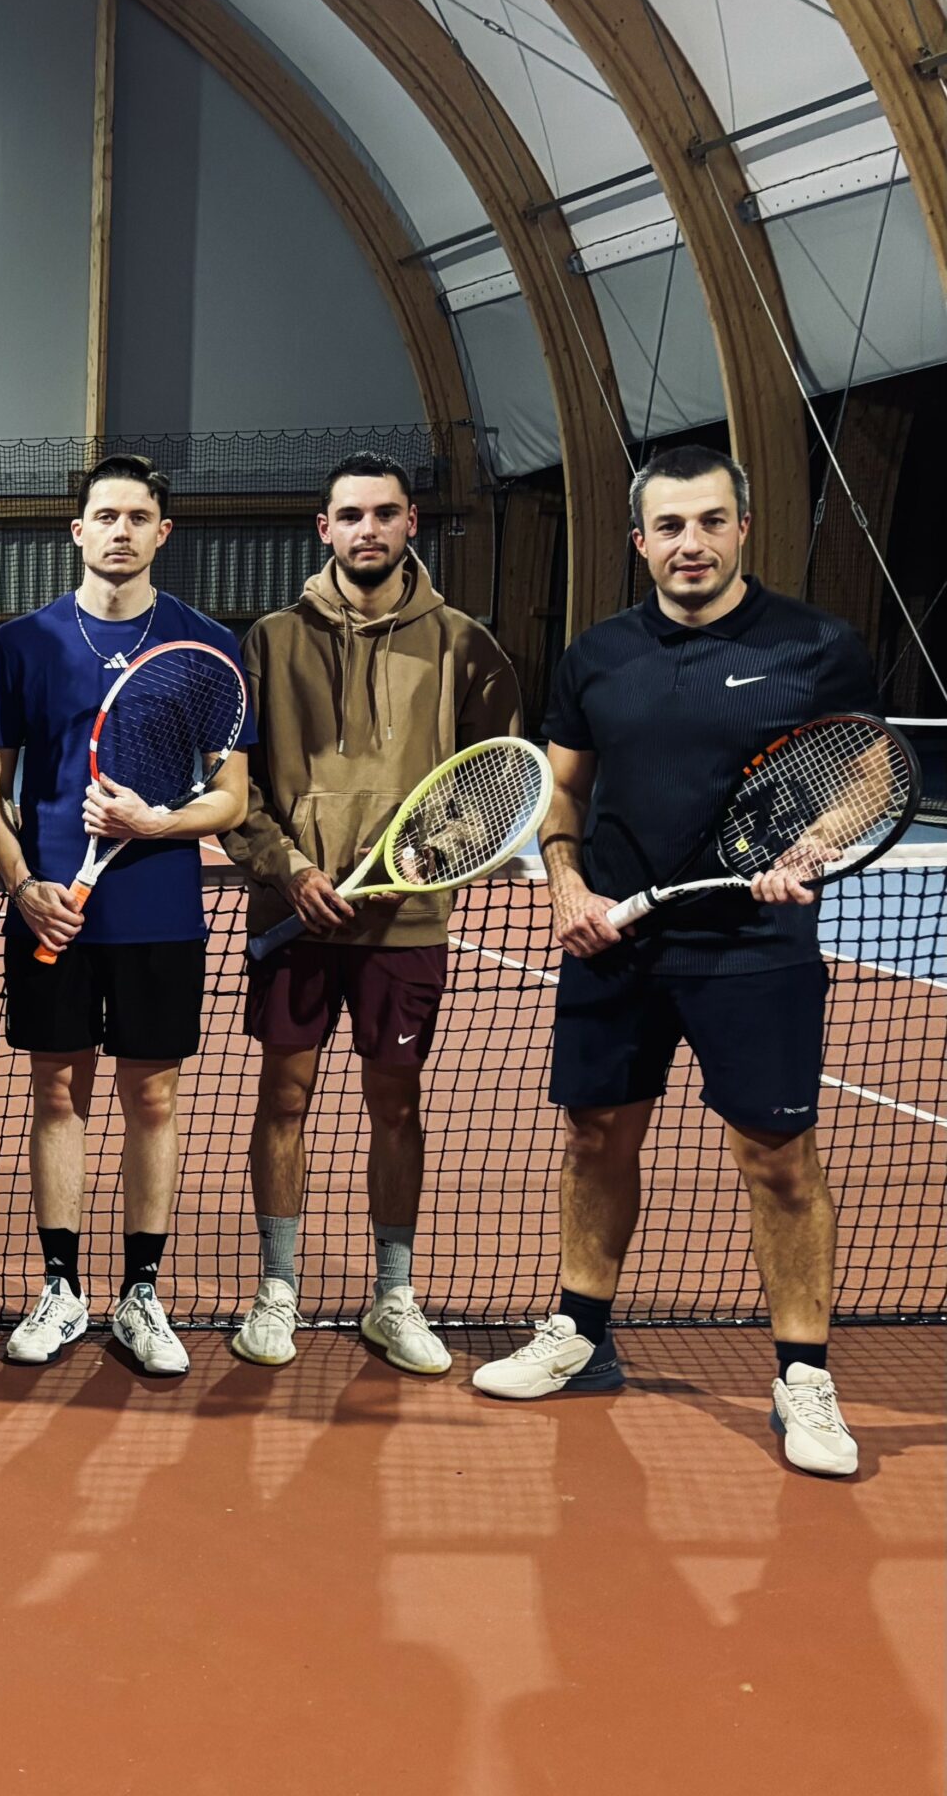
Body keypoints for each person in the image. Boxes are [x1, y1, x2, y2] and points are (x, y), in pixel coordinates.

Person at [473, 445, 877, 1477]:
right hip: (616, 939)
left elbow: (871, 776)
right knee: (594, 1138)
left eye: (708, 521)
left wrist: (812, 846)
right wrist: (565, 886)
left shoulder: (816, 646)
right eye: (668, 526)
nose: (689, 543)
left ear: (742, 528)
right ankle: (580, 1333)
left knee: (776, 1157)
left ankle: (802, 1375)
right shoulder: (597, 655)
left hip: (755, 944)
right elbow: (563, 791)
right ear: (639, 540)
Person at [221, 452, 519, 1374]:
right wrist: (291, 869)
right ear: (325, 528)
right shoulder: (269, 641)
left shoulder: (465, 643)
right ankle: (278, 1289)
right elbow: (236, 790)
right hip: (295, 915)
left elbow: (498, 778)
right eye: (350, 515)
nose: (368, 530)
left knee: (397, 1100)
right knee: (284, 1097)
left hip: (405, 922)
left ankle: (394, 1294)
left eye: (385, 513)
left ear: (410, 523)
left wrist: (431, 853)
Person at [0, 453, 253, 1374]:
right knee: (57, 1092)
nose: (121, 531)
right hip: (51, 909)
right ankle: (61, 1287)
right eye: (106, 515)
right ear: (78, 530)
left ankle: (142, 1293)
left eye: (138, 517)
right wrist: (23, 886)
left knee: (153, 1097)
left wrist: (157, 821)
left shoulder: (205, 644)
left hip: (159, 911)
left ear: (162, 533)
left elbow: (233, 796)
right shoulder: (21, 644)